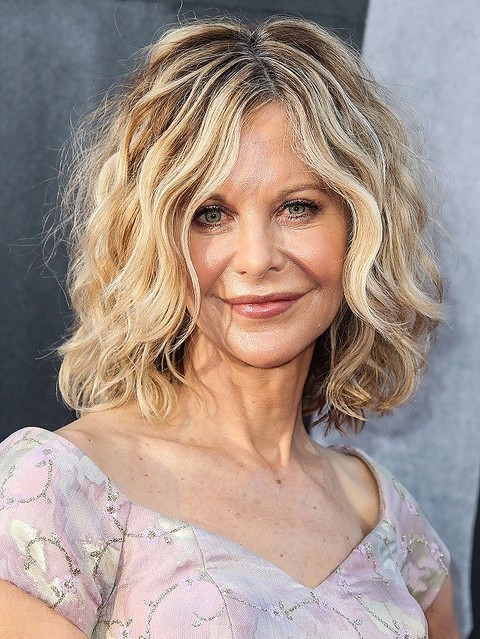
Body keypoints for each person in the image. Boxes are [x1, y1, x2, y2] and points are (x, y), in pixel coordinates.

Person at [0, 16, 460, 639]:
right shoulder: (53, 493)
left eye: (298, 207)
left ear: (361, 229)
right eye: (210, 214)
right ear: (154, 241)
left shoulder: (391, 523)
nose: (256, 259)